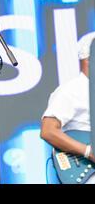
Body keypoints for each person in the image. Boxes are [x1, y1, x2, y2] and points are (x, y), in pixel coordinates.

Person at [41, 33, 95, 183]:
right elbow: (48, 131)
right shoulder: (72, 90)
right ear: (89, 60)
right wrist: (89, 151)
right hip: (86, 171)